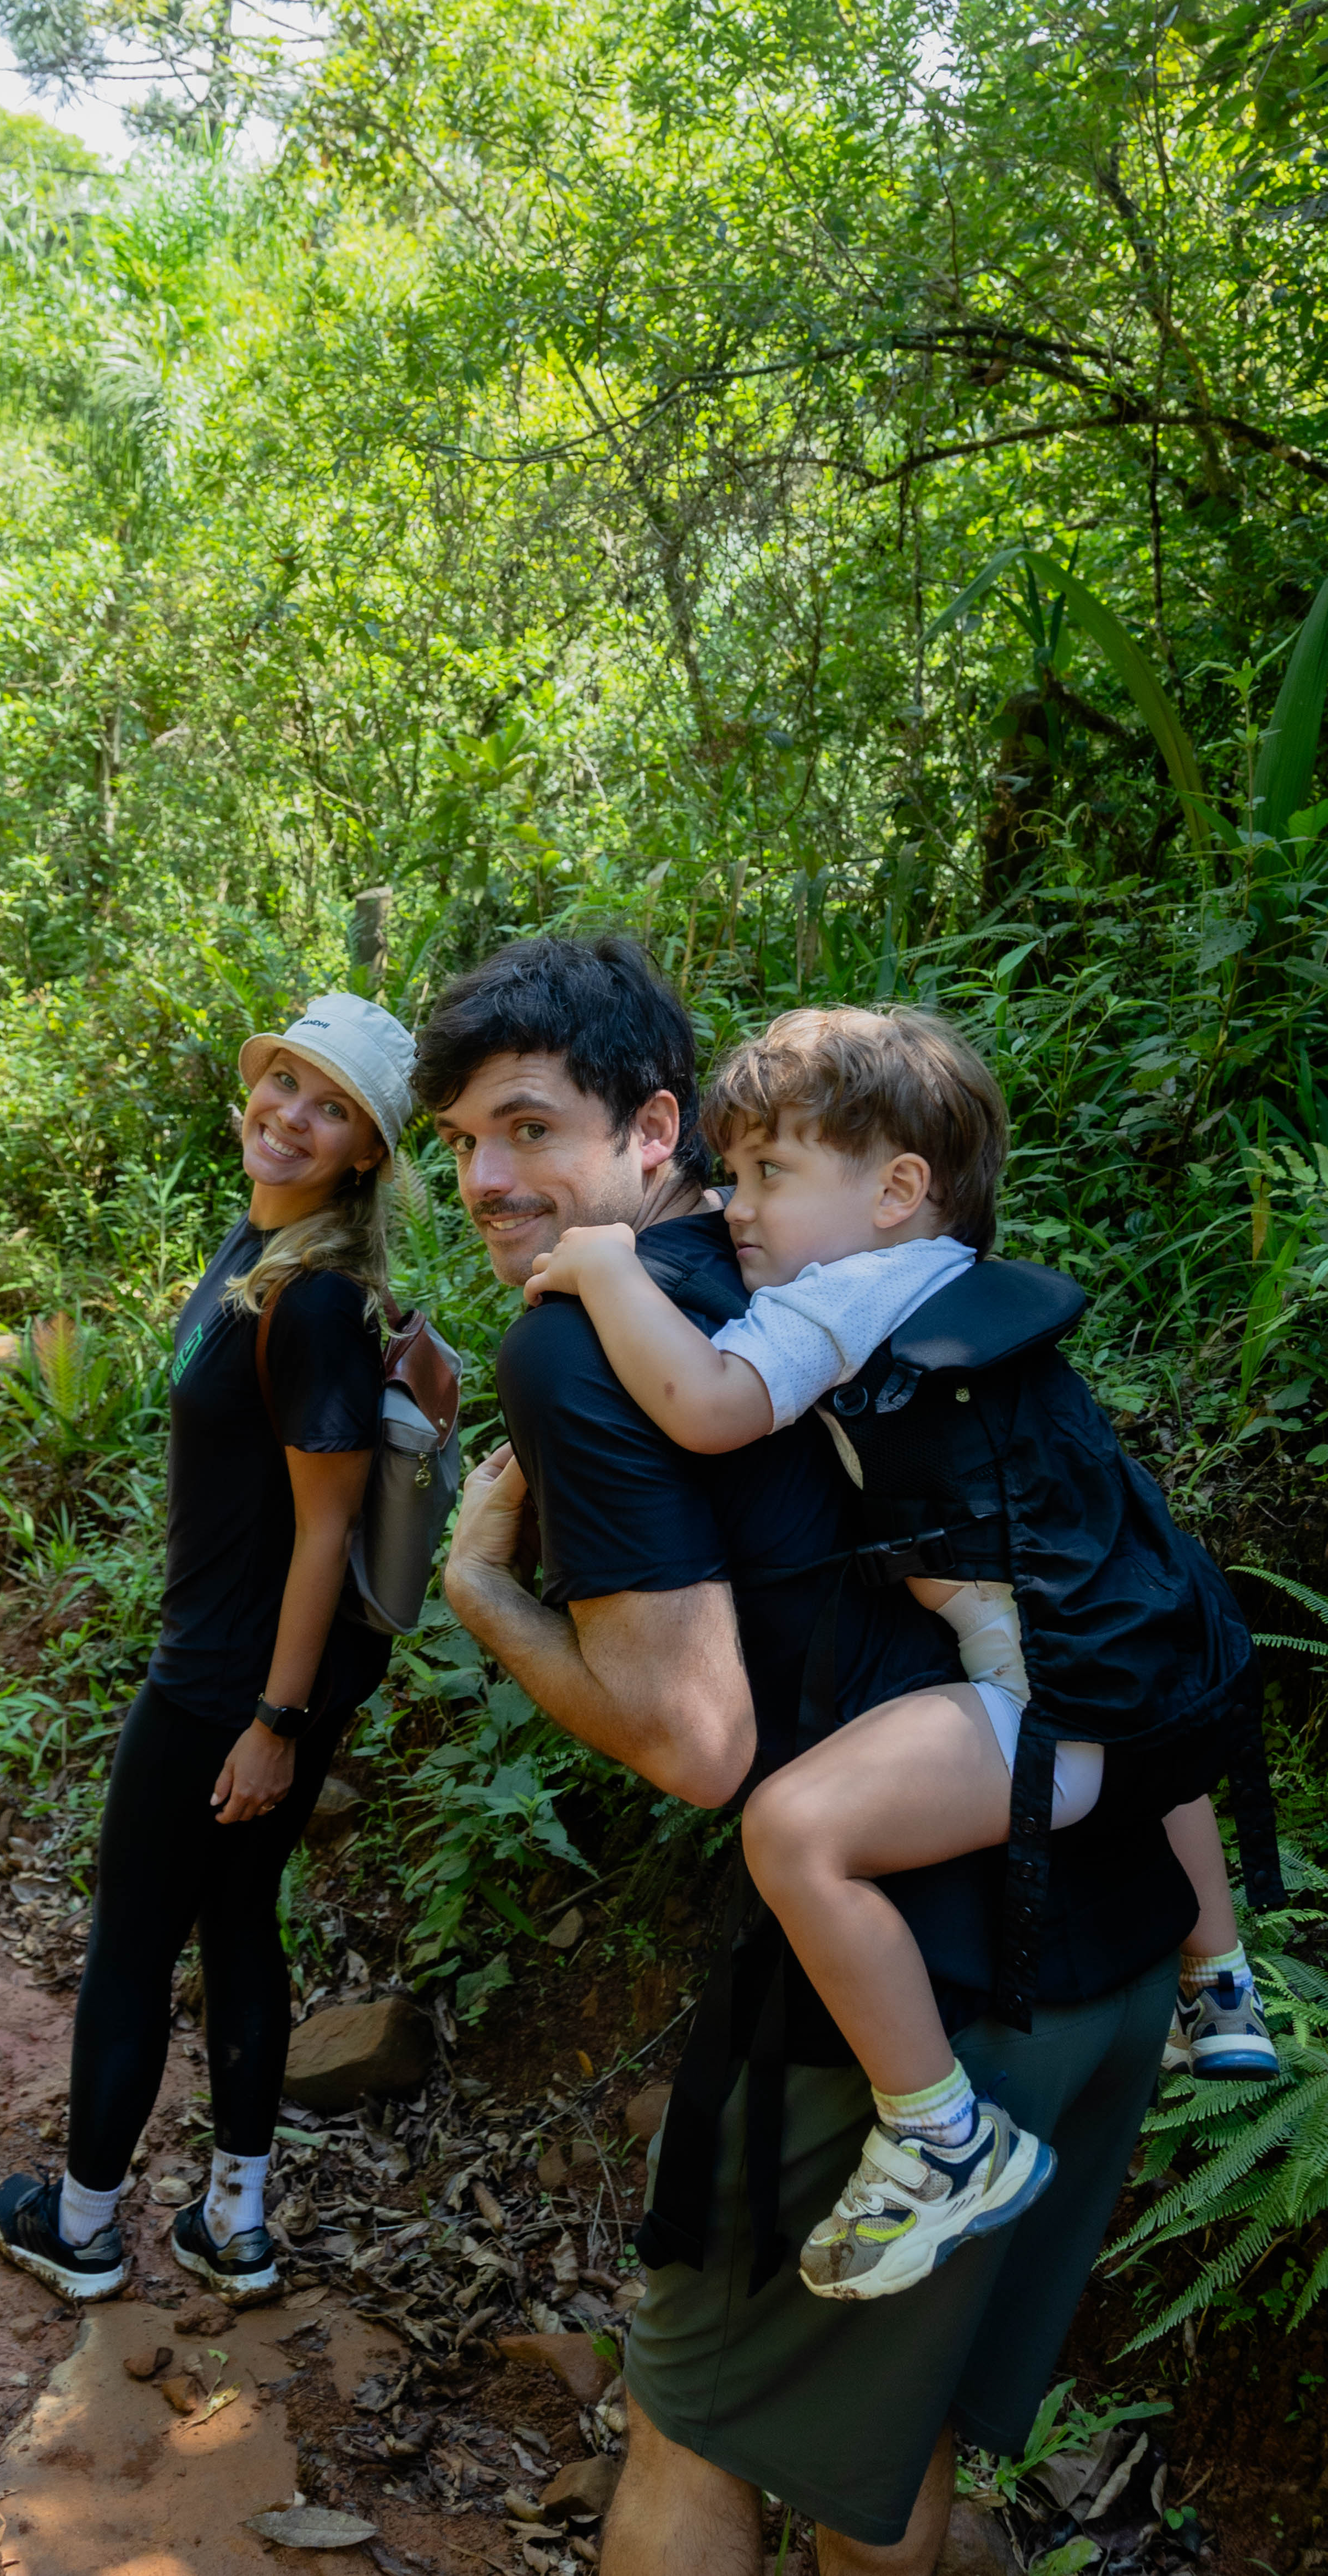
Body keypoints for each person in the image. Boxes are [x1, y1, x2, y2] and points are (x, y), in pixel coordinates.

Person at [416, 934, 1209, 2576]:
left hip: (906, 1985)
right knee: (876, 2448)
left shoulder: (584, 1341)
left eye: (529, 1128)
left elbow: (699, 1739)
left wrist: (487, 1593)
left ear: (657, 1133)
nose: (489, 1179)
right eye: (459, 1143)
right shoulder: (834, 1260)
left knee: (698, 2427)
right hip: (1106, 1926)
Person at [524, 1000, 1277, 2304]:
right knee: (1146, 1728)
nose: (736, 1206)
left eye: (770, 1173)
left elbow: (708, 1408)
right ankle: (1222, 1987)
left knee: (794, 1831)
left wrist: (605, 1271)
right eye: (734, 1171)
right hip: (1130, 1665)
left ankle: (939, 2130)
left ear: (897, 1191)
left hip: (1041, 1713)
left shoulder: (843, 1295)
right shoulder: (949, 1280)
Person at [0, 992, 416, 2306]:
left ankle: (80, 2225)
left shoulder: (315, 1301)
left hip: (229, 1684)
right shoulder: (269, 1249)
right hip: (248, 1670)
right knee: (238, 1922)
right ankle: (231, 2225)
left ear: (365, 1150)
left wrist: (272, 1724)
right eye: (283, 1081)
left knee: (135, 1937)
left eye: (327, 1104)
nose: (287, 1112)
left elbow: (324, 1529)